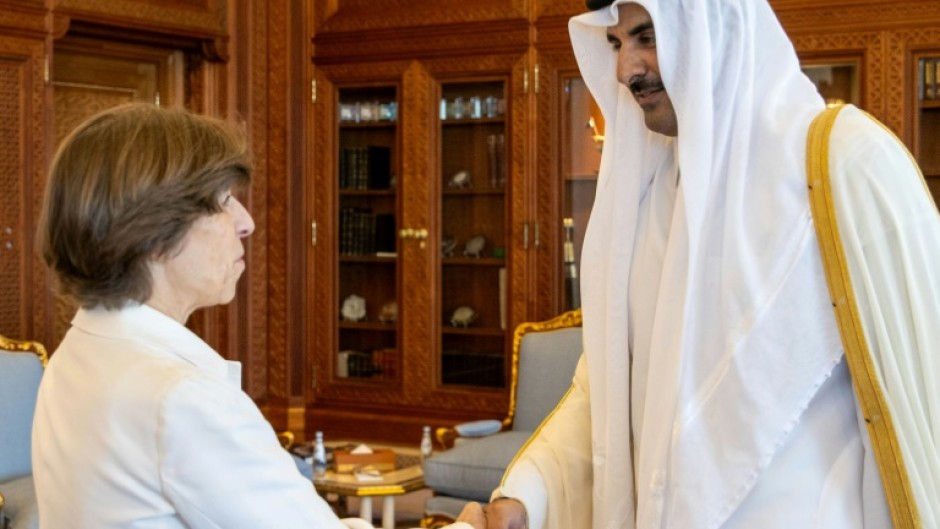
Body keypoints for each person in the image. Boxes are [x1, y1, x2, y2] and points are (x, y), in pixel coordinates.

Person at [453, 0, 939, 528]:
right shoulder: (651, 195)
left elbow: (925, 389)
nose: (625, 69)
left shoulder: (845, 162)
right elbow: (608, 394)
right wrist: (526, 497)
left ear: (716, 28)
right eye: (616, 44)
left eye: (647, 37)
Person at [33, 103, 373, 529]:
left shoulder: (76, 352)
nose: (246, 222)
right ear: (154, 231)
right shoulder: (183, 398)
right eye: (224, 200)